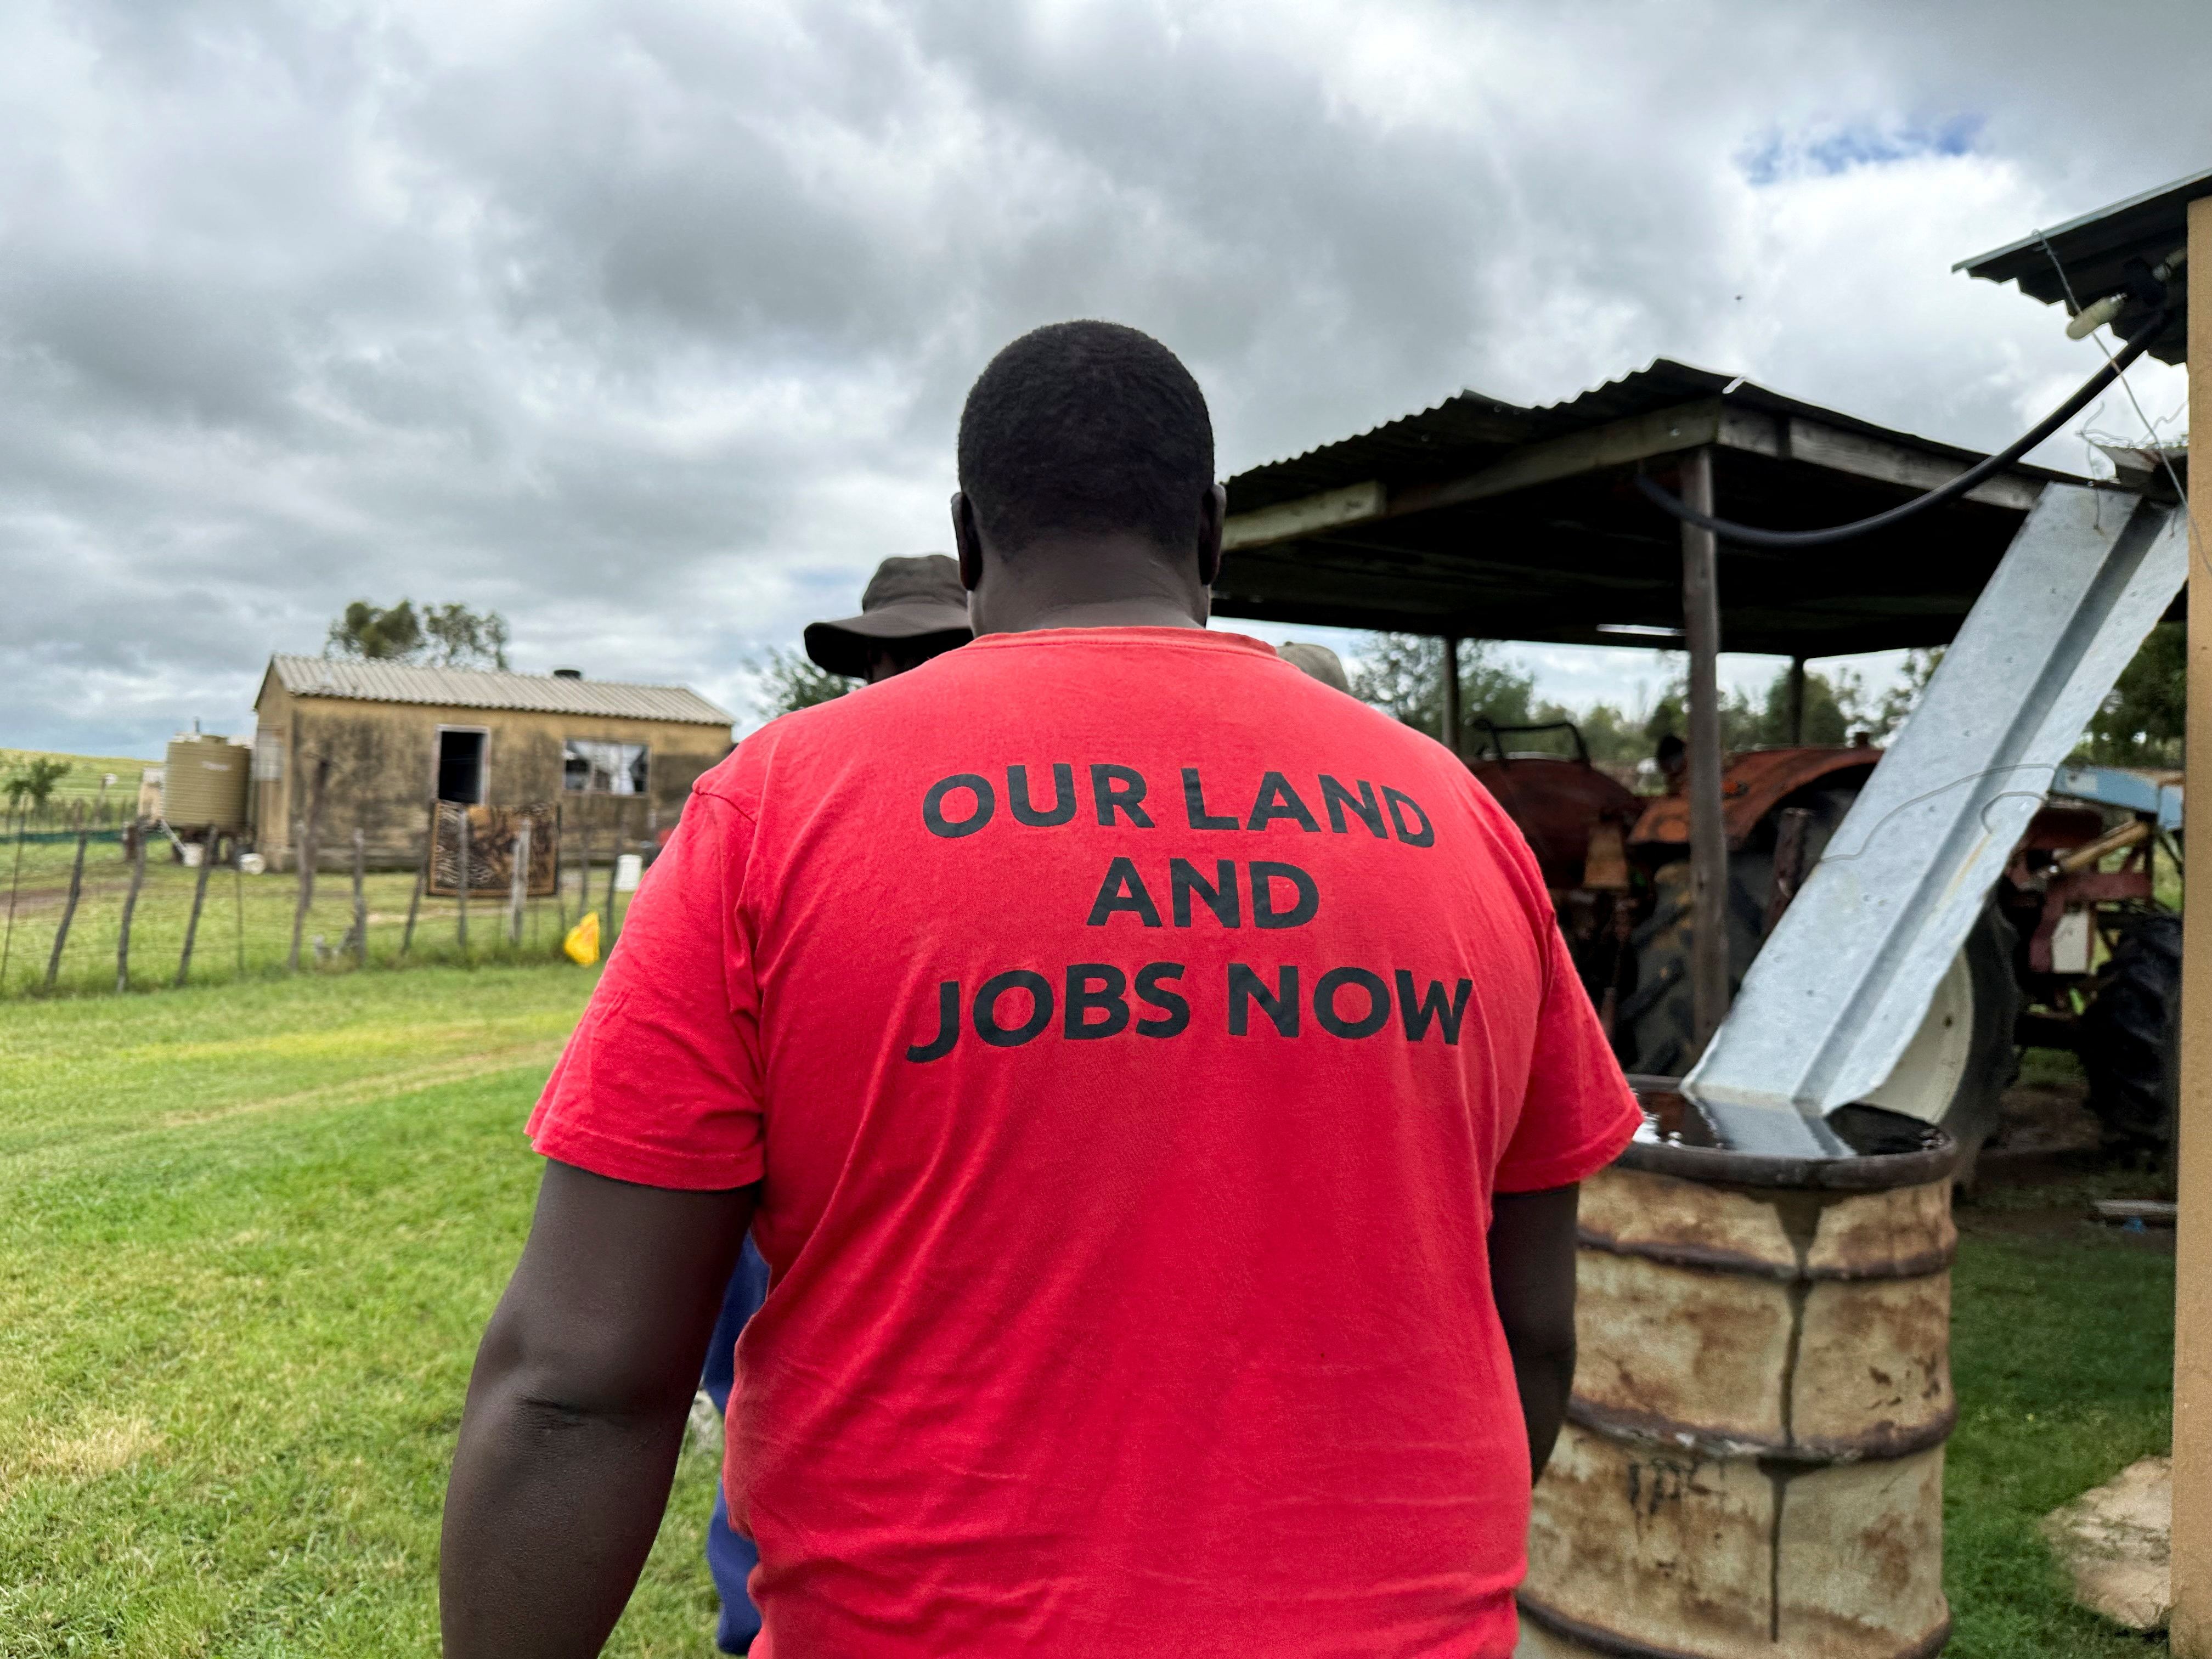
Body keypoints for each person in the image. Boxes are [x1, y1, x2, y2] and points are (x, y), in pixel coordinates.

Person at [441, 320, 1641, 1658]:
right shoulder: (1457, 820)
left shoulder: (778, 811)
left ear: (967, 544)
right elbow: (1532, 1331)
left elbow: (577, 1389)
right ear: (1213, 537)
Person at [701, 551, 973, 1655]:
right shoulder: (787, 800)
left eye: (928, 654)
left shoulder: (801, 797)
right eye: (883, 659)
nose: (899, 678)